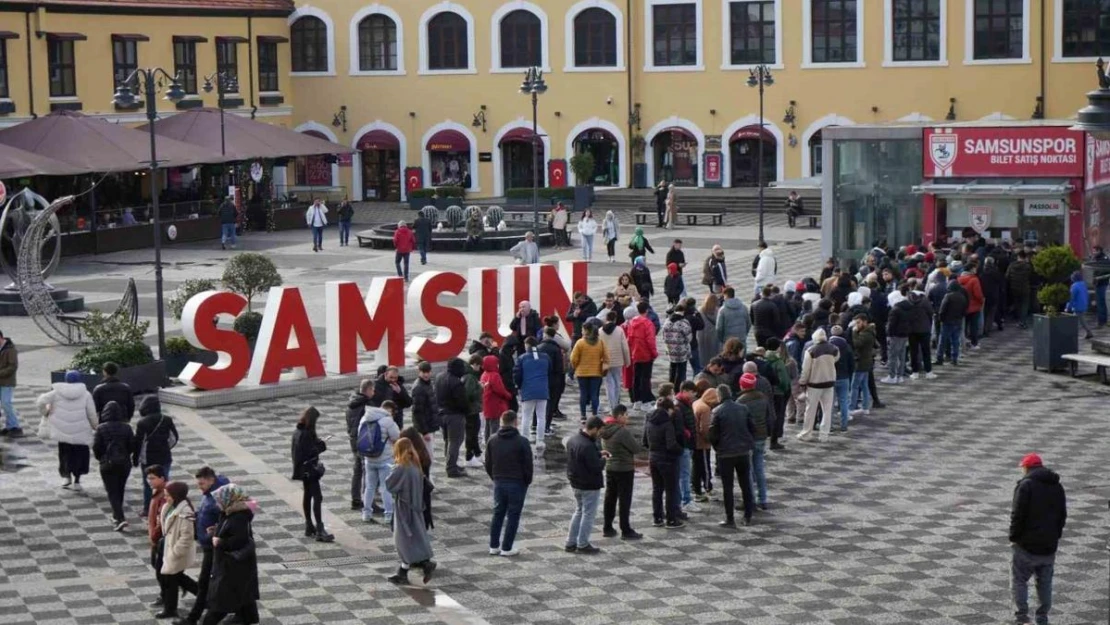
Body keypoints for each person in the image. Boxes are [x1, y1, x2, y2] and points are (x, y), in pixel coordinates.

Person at [1009, 453, 1067, 625]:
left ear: (1027, 468)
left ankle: (1022, 618)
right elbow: (1062, 516)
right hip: (1048, 546)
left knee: (1018, 580)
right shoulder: (1057, 486)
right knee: (1045, 583)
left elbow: (1017, 515)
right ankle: (1042, 618)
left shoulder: (1025, 486)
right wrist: (1055, 536)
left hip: (1025, 545)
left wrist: (1013, 537)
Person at [177, 466, 229, 625]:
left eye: (201, 483)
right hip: (209, 544)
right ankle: (247, 614)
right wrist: (198, 516)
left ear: (211, 480)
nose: (199, 487)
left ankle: (192, 618)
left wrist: (215, 532)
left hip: (214, 547)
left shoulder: (219, 497)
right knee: (227, 582)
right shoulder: (209, 494)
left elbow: (230, 519)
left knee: (204, 582)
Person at [202, 484, 260, 625]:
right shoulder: (228, 512)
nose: (217, 503)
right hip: (236, 566)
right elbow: (231, 530)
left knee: (219, 604)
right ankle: (248, 617)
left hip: (232, 567)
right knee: (243, 595)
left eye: (219, 499)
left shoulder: (238, 517)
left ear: (229, 499)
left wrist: (220, 542)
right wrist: (216, 530)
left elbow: (238, 540)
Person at [386, 438, 437, 584]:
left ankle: (424, 564)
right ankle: (405, 571)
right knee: (415, 537)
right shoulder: (416, 464)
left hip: (404, 507)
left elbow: (390, 485)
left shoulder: (401, 467)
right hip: (416, 506)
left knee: (403, 540)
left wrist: (391, 469)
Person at [37, 370, 97, 491]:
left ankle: (66, 476)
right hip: (81, 430)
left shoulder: (56, 393)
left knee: (65, 454)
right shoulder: (86, 394)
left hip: (62, 430)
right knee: (80, 455)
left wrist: (46, 412)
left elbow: (41, 401)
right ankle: (77, 480)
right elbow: (91, 413)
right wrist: (95, 426)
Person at [485, 410, 533, 556]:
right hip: (517, 482)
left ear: (501, 422)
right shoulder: (522, 441)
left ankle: (494, 546)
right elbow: (528, 465)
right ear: (515, 422)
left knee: (498, 513)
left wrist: (495, 477)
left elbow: (488, 462)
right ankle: (507, 547)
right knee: (513, 515)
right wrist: (526, 481)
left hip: (499, 480)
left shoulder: (492, 440)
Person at [708, 385, 755, 527]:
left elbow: (712, 435)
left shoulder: (717, 411)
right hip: (743, 452)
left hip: (725, 454)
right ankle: (748, 516)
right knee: (745, 484)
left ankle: (730, 519)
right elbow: (752, 428)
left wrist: (718, 448)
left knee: (727, 487)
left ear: (719, 396)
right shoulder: (743, 408)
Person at [290, 406, 334, 542]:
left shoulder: (298, 431)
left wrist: (318, 443)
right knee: (317, 497)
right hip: (310, 469)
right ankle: (320, 529)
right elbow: (310, 452)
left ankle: (309, 525)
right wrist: (322, 445)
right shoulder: (306, 434)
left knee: (308, 495)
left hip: (303, 470)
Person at [564, 416, 607, 553]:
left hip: (575, 482)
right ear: (594, 428)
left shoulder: (573, 440)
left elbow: (582, 458)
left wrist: (598, 453)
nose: (600, 434)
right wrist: (603, 459)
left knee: (579, 511)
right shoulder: (587, 445)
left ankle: (570, 542)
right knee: (588, 514)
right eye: (599, 431)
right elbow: (595, 467)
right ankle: (583, 543)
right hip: (589, 484)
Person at [158, 481, 199, 620]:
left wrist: (175, 553)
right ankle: (204, 596)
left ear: (176, 495)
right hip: (168, 547)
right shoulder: (169, 506)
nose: (165, 498)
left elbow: (187, 537)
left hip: (175, 552)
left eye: (168, 495)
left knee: (171, 579)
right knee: (176, 577)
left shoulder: (185, 513)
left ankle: (170, 609)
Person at [599, 405, 642, 540]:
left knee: (610, 498)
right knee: (624, 500)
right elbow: (636, 448)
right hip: (624, 468)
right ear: (619, 416)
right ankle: (626, 529)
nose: (627, 417)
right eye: (626, 414)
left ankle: (607, 527)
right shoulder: (622, 432)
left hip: (610, 467)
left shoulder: (604, 429)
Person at [91, 401, 134, 530]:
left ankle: (120, 518)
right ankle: (117, 515)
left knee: (112, 491)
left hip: (107, 463)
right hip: (124, 463)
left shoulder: (101, 428)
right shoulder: (127, 427)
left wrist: (101, 458)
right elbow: (132, 445)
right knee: (120, 489)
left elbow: (96, 447)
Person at [133, 396, 179, 514]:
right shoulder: (166, 419)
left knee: (149, 484)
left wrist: (136, 458)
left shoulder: (142, 423)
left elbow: (139, 443)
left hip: (148, 459)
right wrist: (166, 447)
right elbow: (174, 438)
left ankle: (148, 508)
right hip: (165, 457)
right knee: (164, 482)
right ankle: (166, 506)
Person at [643, 398, 683, 528]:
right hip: (667, 460)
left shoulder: (649, 421)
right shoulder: (667, 424)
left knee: (657, 489)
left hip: (653, 458)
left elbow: (645, 441)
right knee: (670, 490)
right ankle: (671, 519)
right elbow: (671, 444)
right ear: (668, 409)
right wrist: (680, 450)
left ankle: (657, 518)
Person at [736, 373, 773, 510]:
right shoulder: (763, 398)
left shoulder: (741, 401)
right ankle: (762, 499)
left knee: (747, 471)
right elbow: (769, 417)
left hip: (748, 438)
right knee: (759, 469)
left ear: (742, 385)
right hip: (761, 437)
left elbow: (740, 422)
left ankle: (749, 500)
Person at [797, 328, 839, 442]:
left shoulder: (810, 351)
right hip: (829, 383)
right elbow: (836, 359)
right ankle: (824, 435)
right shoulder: (834, 349)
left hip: (814, 384)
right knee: (827, 410)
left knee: (810, 410)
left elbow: (805, 369)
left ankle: (806, 433)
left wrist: (802, 382)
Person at [434, 358, 470, 478]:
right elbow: (462, 401)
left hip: (441, 413)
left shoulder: (439, 377)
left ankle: (450, 463)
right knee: (455, 441)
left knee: (448, 441)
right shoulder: (456, 382)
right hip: (454, 415)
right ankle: (451, 468)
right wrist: (467, 411)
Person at [514, 337, 551, 451]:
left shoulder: (522, 358)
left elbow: (517, 375)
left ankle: (525, 438)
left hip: (528, 390)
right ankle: (540, 440)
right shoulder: (546, 357)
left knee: (526, 416)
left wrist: (519, 387)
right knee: (541, 417)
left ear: (527, 345)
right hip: (543, 390)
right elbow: (550, 371)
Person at [570, 325, 609, 424]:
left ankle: (583, 416)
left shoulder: (580, 343)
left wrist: (575, 366)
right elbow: (606, 357)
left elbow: (573, 358)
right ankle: (595, 414)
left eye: (583, 330)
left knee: (583, 393)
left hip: (582, 373)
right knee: (594, 394)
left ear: (587, 331)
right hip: (596, 372)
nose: (582, 331)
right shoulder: (600, 342)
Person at [145, 466, 170, 612]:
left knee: (162, 569)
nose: (149, 481)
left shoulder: (165, 494)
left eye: (153, 478)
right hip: (156, 538)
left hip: (160, 539)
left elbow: (161, 520)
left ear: (162, 478)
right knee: (160, 567)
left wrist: (154, 535)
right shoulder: (157, 492)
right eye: (148, 478)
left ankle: (165, 597)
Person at [625, 301, 658, 412]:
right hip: (646, 354)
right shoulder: (648, 324)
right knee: (645, 378)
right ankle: (645, 401)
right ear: (647, 310)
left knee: (636, 377)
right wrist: (654, 353)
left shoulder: (631, 323)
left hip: (635, 354)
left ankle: (637, 401)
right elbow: (650, 341)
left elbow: (629, 340)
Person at [410, 361, 440, 467]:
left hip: (429, 425)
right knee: (427, 457)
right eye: (423, 372)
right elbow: (417, 412)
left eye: (428, 372)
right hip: (425, 428)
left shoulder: (427, 384)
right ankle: (427, 480)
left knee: (428, 455)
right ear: (419, 372)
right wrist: (424, 431)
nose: (426, 374)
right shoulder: (419, 387)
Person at [598, 311, 630, 412]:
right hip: (618, 361)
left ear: (606, 319)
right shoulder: (619, 330)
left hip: (605, 361)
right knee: (617, 383)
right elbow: (625, 347)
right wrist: (627, 360)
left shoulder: (600, 331)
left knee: (608, 384)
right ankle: (616, 404)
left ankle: (611, 405)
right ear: (615, 319)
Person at [691, 384, 717, 502]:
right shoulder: (705, 408)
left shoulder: (696, 403)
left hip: (693, 441)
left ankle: (695, 487)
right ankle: (708, 487)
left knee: (696, 466)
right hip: (702, 443)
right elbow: (705, 428)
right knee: (705, 467)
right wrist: (710, 440)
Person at [849, 315, 876, 418]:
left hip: (861, 363)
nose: (857, 325)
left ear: (865, 322)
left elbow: (857, 344)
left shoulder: (866, 334)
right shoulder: (869, 331)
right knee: (864, 385)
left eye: (859, 322)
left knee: (854, 386)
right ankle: (865, 407)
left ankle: (851, 408)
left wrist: (854, 332)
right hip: (866, 362)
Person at [662, 305, 693, 384]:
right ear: (683, 311)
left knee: (672, 369)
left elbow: (663, 336)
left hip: (670, 350)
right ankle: (678, 389)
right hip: (681, 351)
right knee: (681, 371)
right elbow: (689, 338)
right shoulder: (684, 322)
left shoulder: (667, 321)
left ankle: (670, 386)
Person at [959, 263, 985, 349]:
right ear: (971, 269)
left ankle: (964, 342)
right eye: (974, 268)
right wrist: (982, 301)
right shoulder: (974, 280)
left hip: (963, 306)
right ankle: (974, 343)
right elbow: (978, 294)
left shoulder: (959, 279)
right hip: (974, 306)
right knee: (974, 326)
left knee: (964, 326)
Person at [1006, 250, 1034, 328]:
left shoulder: (1011, 265)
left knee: (1017, 304)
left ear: (1018, 257)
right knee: (1025, 305)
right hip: (1025, 288)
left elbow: (1007, 276)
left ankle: (1018, 320)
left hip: (1014, 288)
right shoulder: (1028, 266)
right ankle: (1023, 321)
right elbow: (1031, 277)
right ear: (1025, 257)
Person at [0, 329, 19, 438]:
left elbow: (12, 367)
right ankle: (9, 426)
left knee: (6, 403)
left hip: (7, 382)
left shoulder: (10, 350)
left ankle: (14, 426)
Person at [1067, 271, 1094, 339]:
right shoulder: (1083, 284)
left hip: (1077, 306)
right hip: (1084, 305)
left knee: (1076, 321)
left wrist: (1068, 306)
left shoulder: (1074, 286)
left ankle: (1073, 334)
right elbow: (1087, 295)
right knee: (1081, 320)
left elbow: (1072, 297)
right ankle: (1088, 332)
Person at [1092, 245, 1108, 327]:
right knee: (1099, 304)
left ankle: (1102, 322)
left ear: (1099, 251)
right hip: (1098, 284)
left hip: (1103, 284)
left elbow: (1105, 271)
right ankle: (1101, 321)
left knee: (1102, 303)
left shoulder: (1104, 259)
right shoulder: (1096, 259)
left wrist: (1098, 277)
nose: (1093, 252)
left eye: (1094, 251)